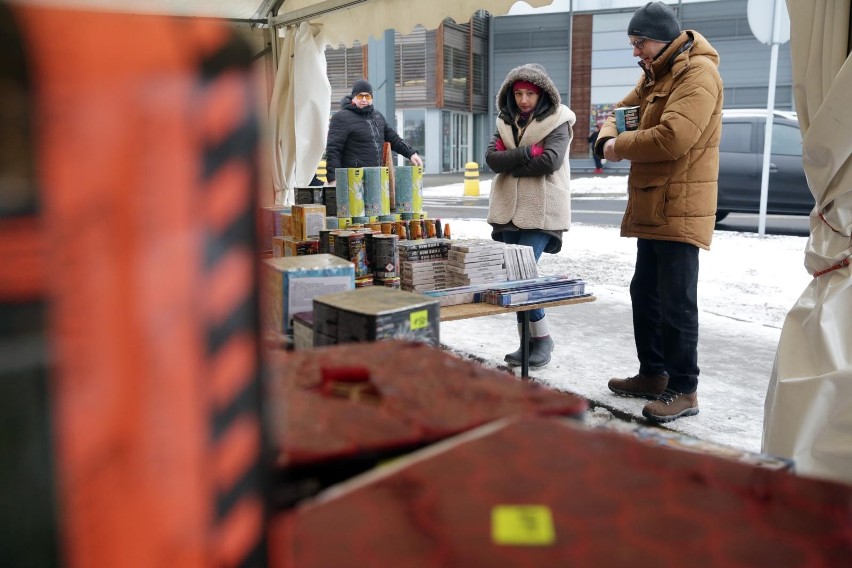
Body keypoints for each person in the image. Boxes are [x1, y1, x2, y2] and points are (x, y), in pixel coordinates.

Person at [595, 1, 723, 422]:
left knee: (677, 303)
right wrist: (608, 136)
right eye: (633, 44)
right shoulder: (657, 74)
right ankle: (653, 374)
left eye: (639, 43)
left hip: (681, 206)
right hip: (655, 202)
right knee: (644, 293)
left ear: (662, 38)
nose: (636, 52)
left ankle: (684, 389)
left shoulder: (698, 75)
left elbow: (672, 138)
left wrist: (617, 147)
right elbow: (617, 113)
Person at [485, 63, 576, 369]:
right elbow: (491, 159)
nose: (524, 100)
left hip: (543, 209)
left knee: (521, 273)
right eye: (519, 93)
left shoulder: (559, 120)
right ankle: (528, 342)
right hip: (509, 209)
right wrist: (527, 153)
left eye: (530, 94)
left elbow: (550, 161)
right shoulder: (504, 120)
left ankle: (541, 339)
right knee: (514, 276)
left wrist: (510, 160)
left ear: (542, 95)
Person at [324, 79, 422, 185]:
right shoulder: (341, 117)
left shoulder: (377, 116)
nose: (364, 99)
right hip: (353, 180)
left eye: (368, 96)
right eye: (360, 96)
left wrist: (411, 153)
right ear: (353, 97)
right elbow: (333, 150)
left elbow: (394, 139)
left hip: (376, 178)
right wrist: (333, 178)